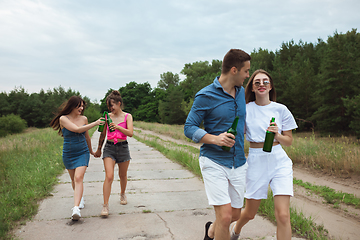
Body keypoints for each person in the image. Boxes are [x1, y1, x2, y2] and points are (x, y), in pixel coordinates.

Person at [184, 49, 251, 240]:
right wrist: (215, 139)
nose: (248, 75)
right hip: (213, 160)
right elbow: (189, 127)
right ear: (234, 70)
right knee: (226, 216)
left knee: (235, 214)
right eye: (246, 71)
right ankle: (218, 228)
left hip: (238, 162)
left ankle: (211, 231)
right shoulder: (205, 95)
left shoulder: (240, 93)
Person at [231, 69, 298, 240]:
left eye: (265, 82)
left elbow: (289, 140)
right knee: (250, 213)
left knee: (283, 215)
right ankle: (236, 230)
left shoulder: (281, 109)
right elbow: (237, 135)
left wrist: (278, 134)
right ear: (252, 88)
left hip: (279, 160)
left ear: (271, 86)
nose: (262, 85)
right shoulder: (245, 110)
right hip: (256, 159)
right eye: (257, 82)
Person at [50, 96, 104, 221]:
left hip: (82, 152)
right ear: (72, 106)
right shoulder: (63, 119)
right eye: (79, 105)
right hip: (68, 153)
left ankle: (76, 209)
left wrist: (92, 151)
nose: (81, 108)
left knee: (78, 177)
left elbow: (87, 137)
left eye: (82, 106)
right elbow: (77, 129)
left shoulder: (84, 118)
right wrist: (95, 123)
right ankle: (80, 199)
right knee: (74, 180)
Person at [94, 90, 133, 217]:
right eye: (109, 106)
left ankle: (122, 193)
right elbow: (103, 133)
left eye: (112, 106)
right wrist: (99, 149)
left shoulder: (128, 116)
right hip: (109, 148)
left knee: (122, 175)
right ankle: (105, 206)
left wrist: (118, 127)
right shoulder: (107, 116)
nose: (111, 108)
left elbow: (130, 133)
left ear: (119, 103)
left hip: (123, 147)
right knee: (109, 176)